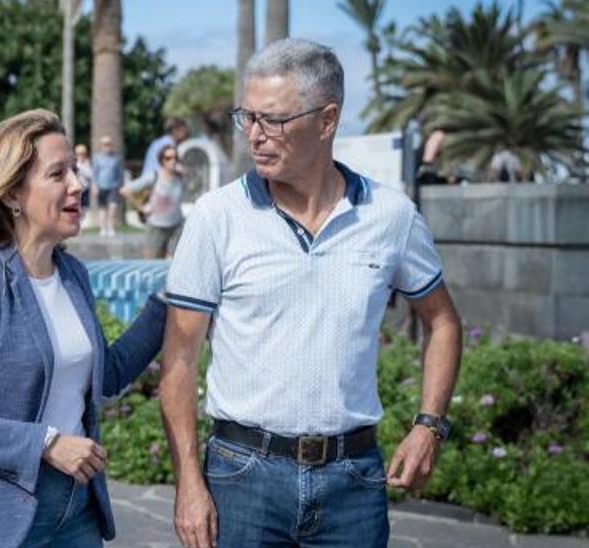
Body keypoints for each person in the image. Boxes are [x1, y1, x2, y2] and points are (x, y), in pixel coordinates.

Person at [158, 38, 463, 548]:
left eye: (273, 120)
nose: (255, 135)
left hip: (354, 482)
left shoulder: (391, 216)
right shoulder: (217, 216)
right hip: (242, 477)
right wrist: (189, 481)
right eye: (247, 117)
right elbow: (180, 358)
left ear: (327, 121)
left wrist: (429, 426)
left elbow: (443, 321)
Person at [0, 109, 167, 548]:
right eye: (58, 174)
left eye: (75, 172)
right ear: (12, 195)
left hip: (74, 510)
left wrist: (166, 304)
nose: (78, 185)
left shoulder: (72, 273)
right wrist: (45, 443)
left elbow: (107, 375)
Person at [121, 144, 185, 258]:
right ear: (162, 161)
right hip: (156, 227)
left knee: (175, 264)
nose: (173, 161)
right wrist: (141, 207)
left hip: (176, 227)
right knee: (152, 263)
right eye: (168, 158)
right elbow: (125, 191)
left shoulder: (179, 177)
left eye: (175, 157)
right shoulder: (153, 176)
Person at [91, 135, 124, 237]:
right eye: (105, 144)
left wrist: (121, 185)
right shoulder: (97, 158)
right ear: (102, 145)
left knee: (112, 208)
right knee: (102, 209)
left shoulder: (117, 158)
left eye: (109, 144)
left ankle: (111, 227)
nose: (107, 146)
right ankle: (103, 228)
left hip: (113, 186)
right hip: (101, 186)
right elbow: (94, 173)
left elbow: (120, 173)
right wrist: (94, 185)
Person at [75, 143, 95, 218]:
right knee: (77, 208)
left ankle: (81, 225)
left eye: (82, 154)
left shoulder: (88, 163)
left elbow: (91, 175)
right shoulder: (75, 163)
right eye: (78, 154)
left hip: (85, 189)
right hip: (76, 189)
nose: (80, 156)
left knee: (84, 209)